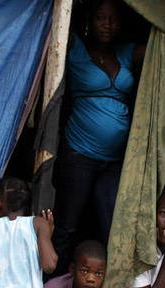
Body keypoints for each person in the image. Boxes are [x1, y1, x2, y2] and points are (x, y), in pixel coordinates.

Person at [51, 0, 145, 274]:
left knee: (112, 224)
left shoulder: (126, 53)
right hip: (79, 154)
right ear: (90, 21)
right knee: (68, 225)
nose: (108, 24)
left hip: (114, 161)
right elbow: (55, 23)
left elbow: (163, 47)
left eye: (114, 19)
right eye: (101, 17)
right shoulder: (77, 49)